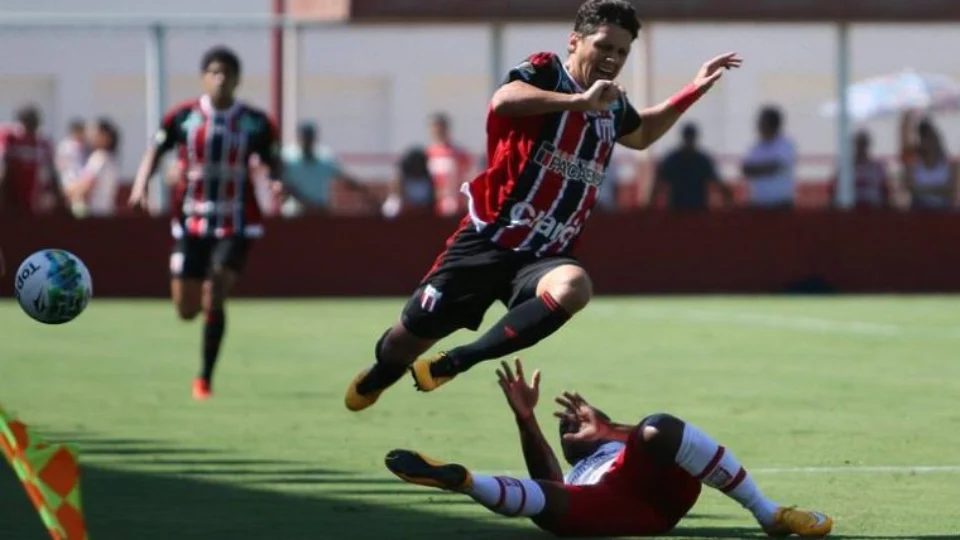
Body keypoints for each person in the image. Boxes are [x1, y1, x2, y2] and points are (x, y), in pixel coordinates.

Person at [344, 0, 742, 411]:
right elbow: (504, 99)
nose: (612, 58)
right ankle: (383, 374)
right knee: (400, 343)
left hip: (545, 255)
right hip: (488, 240)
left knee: (575, 286)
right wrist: (579, 103)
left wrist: (695, 88)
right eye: (604, 46)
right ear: (575, 42)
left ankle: (460, 359)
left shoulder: (613, 106)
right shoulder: (547, 72)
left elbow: (642, 135)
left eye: (622, 52)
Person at [386, 358, 833, 538]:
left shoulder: (625, 441)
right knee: (546, 507)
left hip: (655, 484)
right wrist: (526, 419)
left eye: (574, 419)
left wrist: (613, 428)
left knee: (658, 427)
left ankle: (767, 513)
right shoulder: (578, 476)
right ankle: (463, 480)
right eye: (563, 428)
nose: (567, 424)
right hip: (610, 504)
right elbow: (551, 484)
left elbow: (657, 440)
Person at [128, 46, 283, 401]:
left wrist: (276, 180)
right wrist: (141, 186)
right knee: (186, 309)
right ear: (203, 77)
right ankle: (200, 309)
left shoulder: (255, 122)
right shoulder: (183, 117)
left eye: (227, 72)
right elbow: (156, 149)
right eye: (214, 72)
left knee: (215, 294)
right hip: (191, 220)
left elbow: (274, 160)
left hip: (236, 221)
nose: (220, 78)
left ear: (237, 79)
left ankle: (204, 378)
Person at [651, 122, 733, 211]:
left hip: (696, 210)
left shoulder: (701, 161)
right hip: (678, 210)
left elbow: (718, 183)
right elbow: (658, 184)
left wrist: (729, 200)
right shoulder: (673, 160)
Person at [63, 118, 121, 217]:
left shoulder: (99, 158)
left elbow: (85, 187)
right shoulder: (110, 160)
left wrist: (65, 191)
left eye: (94, 132)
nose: (90, 135)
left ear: (105, 137)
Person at [741, 106, 796, 210]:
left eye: (761, 122)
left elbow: (774, 167)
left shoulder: (785, 144)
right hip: (758, 205)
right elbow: (745, 170)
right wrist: (762, 168)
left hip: (781, 206)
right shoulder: (756, 147)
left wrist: (756, 169)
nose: (758, 126)